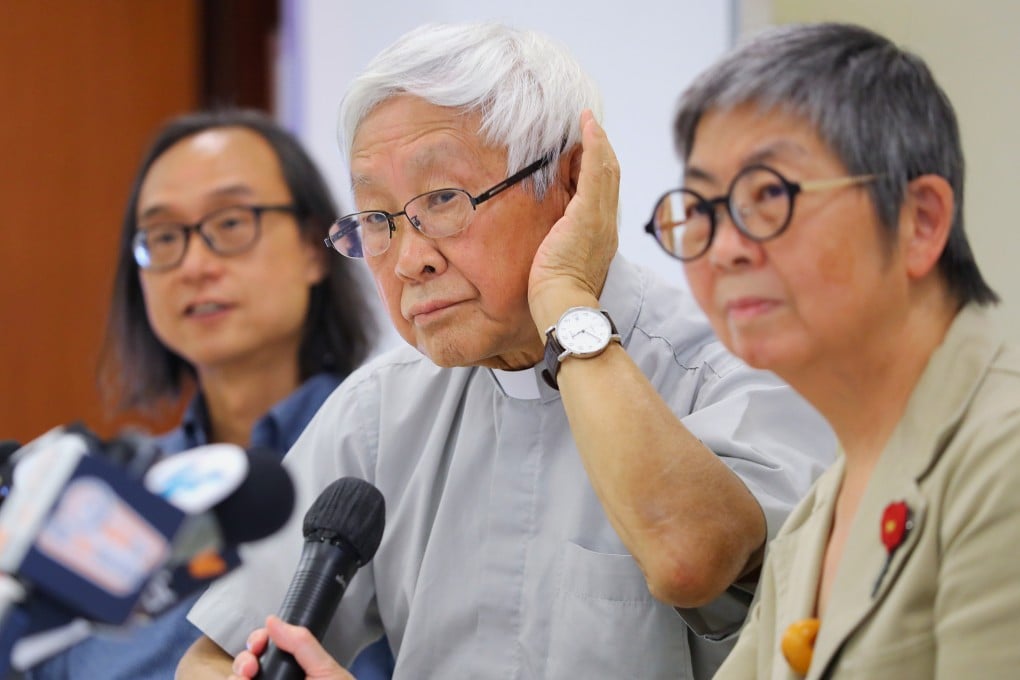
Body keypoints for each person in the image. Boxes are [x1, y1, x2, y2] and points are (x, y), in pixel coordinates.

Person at [178, 23, 835, 679]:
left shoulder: (734, 370)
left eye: (442, 199)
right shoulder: (381, 408)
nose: (408, 261)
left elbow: (689, 558)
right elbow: (210, 657)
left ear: (572, 185)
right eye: (378, 219)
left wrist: (565, 298)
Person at [644, 21, 1019, 678]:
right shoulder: (823, 507)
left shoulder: (1003, 460)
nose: (725, 248)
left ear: (920, 221)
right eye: (700, 208)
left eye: (769, 194)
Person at [25, 110, 394, 680]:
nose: (194, 265)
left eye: (231, 222)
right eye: (164, 237)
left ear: (314, 247)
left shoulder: (391, 453)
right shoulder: (107, 496)